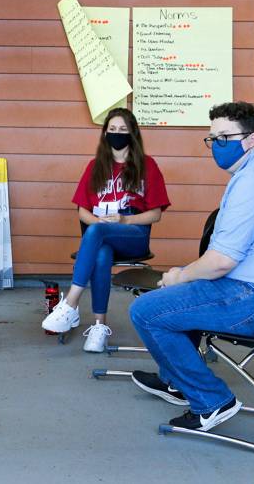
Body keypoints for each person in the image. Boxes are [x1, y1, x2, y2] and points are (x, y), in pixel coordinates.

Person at [128, 102, 254, 432]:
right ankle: (177, 383)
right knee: (181, 295)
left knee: (146, 310)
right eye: (212, 138)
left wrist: (179, 276)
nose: (216, 145)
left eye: (224, 136)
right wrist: (186, 277)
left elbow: (221, 262)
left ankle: (212, 401)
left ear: (251, 139)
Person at [41, 108, 170, 352]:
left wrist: (124, 221)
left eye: (123, 130)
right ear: (104, 133)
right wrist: (100, 225)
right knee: (101, 252)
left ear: (133, 133)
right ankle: (99, 327)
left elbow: (156, 214)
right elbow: (82, 211)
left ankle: (70, 303)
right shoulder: (95, 167)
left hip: (134, 234)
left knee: (97, 233)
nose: (117, 134)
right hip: (101, 234)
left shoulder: (147, 166)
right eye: (112, 130)